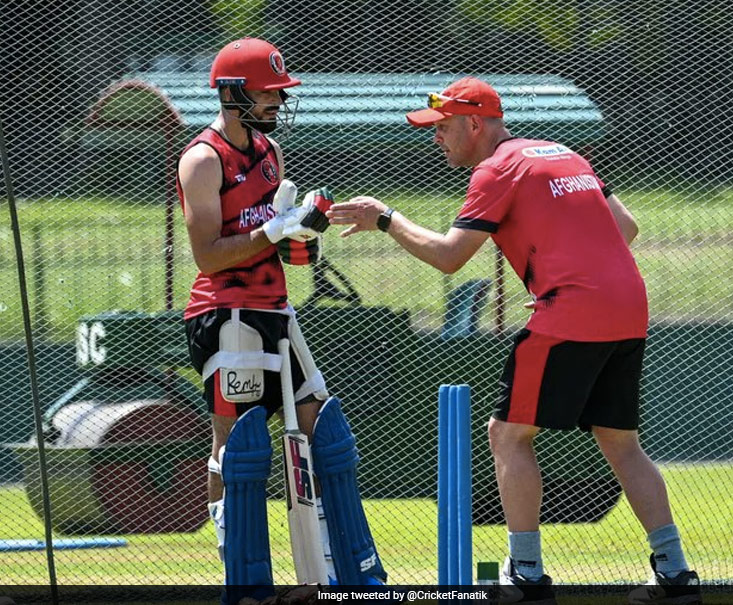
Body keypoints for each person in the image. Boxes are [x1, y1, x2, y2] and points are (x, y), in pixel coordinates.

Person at [327, 77, 700, 604]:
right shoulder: (565, 153)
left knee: (507, 435)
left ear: (474, 123)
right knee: (619, 442)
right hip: (627, 307)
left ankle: (525, 575)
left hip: (574, 311)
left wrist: (386, 218)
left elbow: (450, 257)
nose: (436, 138)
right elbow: (627, 227)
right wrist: (570, 273)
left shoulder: (495, 168)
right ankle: (675, 574)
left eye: (443, 127)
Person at [176, 37, 386, 596]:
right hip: (223, 313)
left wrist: (301, 237)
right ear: (232, 91)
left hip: (275, 308)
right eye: (268, 90)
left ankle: (340, 573)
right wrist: (272, 229)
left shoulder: (269, 152)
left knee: (323, 426)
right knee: (238, 443)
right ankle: (242, 573)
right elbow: (209, 256)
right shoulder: (201, 159)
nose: (277, 99)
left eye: (279, 90)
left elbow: (284, 251)